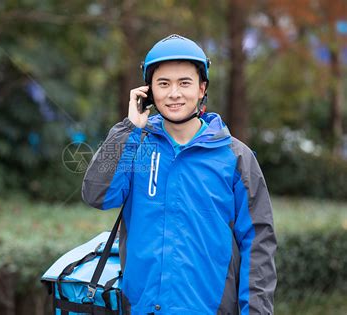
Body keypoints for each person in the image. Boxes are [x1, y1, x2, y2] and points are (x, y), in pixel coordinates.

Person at [82, 34, 277, 315]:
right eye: (163, 84)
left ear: (202, 88)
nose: (174, 93)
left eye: (184, 83)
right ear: (148, 91)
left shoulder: (236, 157)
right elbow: (96, 195)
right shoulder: (134, 144)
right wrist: (128, 128)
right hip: (143, 308)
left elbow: (258, 243)